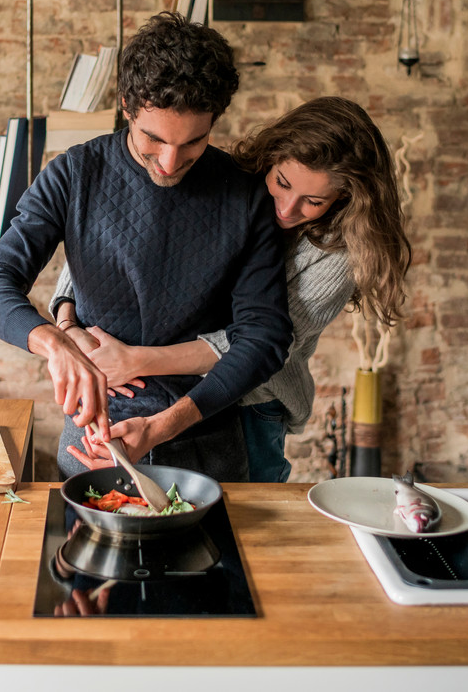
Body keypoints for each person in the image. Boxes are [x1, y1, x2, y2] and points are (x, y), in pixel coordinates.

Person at [0, 12, 293, 481]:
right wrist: (55, 342)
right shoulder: (75, 174)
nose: (170, 162)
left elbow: (264, 337)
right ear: (126, 106)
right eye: (152, 139)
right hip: (95, 438)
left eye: (193, 142)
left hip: (207, 436)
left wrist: (162, 427)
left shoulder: (244, 194)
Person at [53, 96, 411, 482]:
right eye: (282, 183)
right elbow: (107, 246)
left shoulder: (339, 257)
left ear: (344, 198)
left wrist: (136, 360)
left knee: (243, 526)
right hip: (158, 385)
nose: (287, 208)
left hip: (252, 404)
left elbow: (257, 344)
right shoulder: (228, 186)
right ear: (271, 158)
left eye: (313, 201)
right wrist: (67, 322)